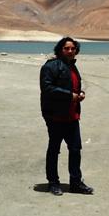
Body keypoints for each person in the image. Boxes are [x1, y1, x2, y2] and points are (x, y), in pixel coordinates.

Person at [39, 37, 94, 196]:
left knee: (75, 149)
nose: (70, 51)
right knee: (54, 149)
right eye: (66, 48)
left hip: (72, 115)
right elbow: (47, 88)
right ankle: (53, 182)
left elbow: (74, 86)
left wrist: (80, 94)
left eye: (73, 48)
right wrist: (70, 96)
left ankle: (76, 182)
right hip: (55, 116)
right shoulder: (50, 66)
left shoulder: (72, 66)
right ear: (60, 49)